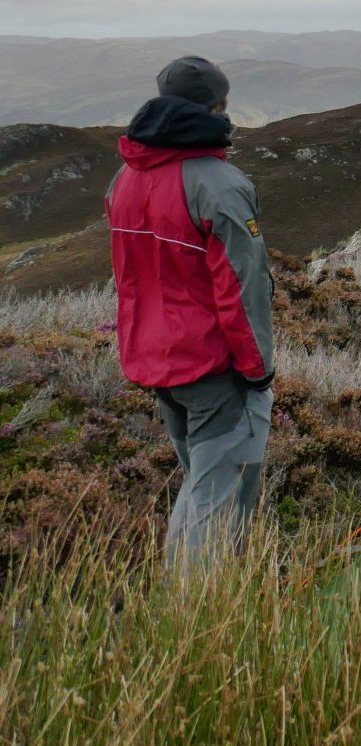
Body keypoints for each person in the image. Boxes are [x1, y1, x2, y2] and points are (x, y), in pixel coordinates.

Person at [106, 56, 275, 565]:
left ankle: (224, 590)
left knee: (201, 482)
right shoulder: (219, 185)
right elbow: (243, 289)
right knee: (213, 500)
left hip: (155, 359)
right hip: (211, 365)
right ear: (219, 106)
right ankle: (193, 617)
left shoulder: (125, 179)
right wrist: (257, 371)